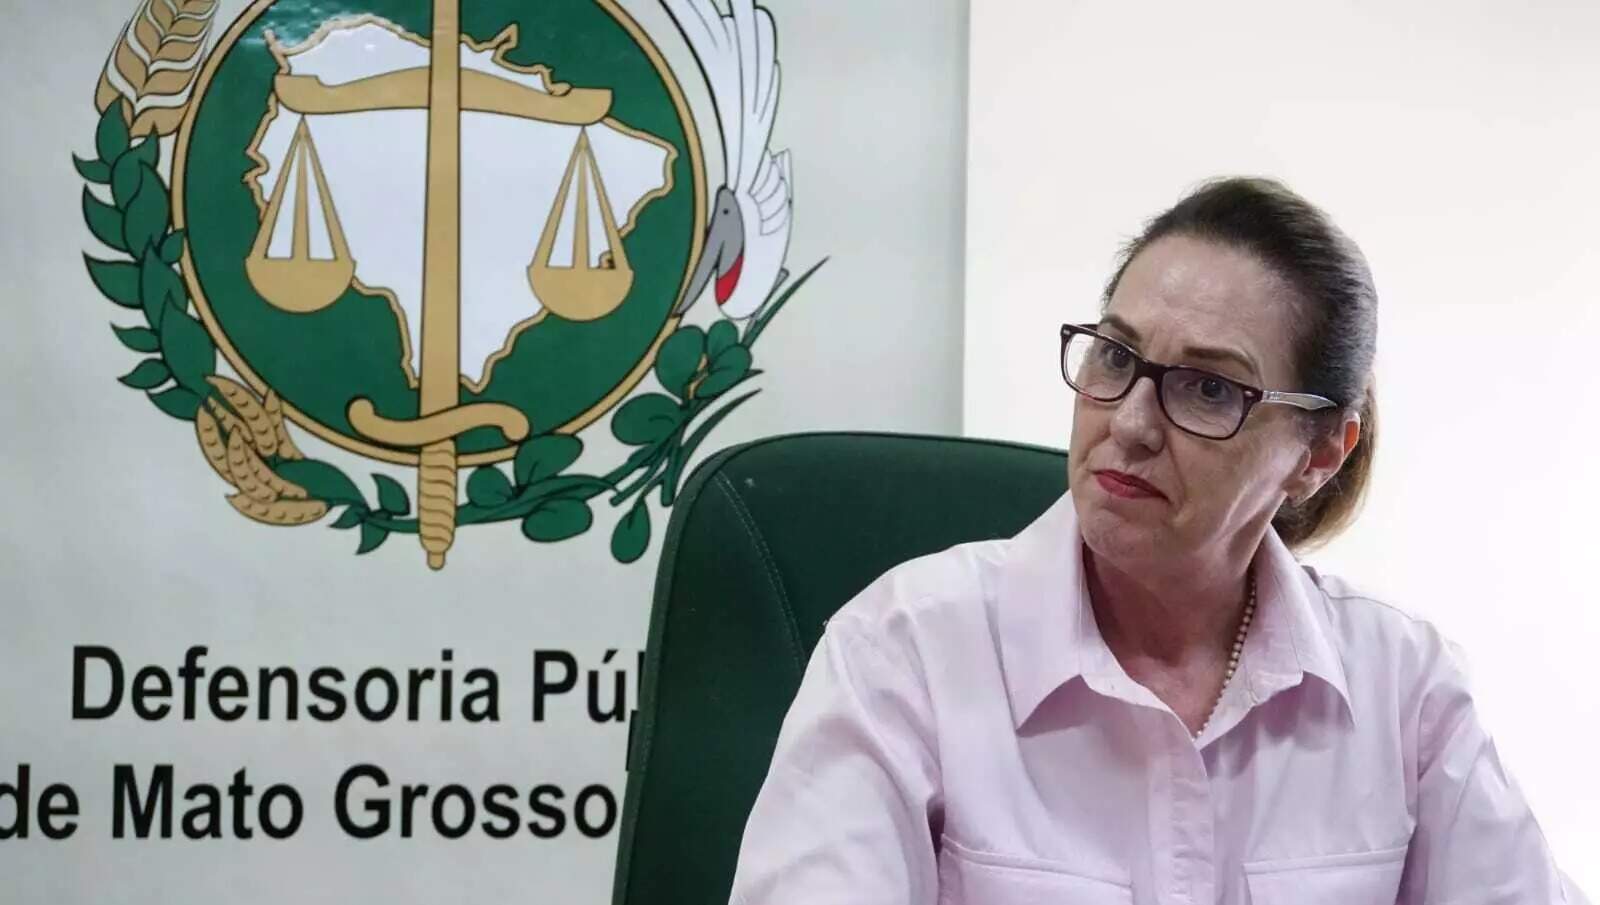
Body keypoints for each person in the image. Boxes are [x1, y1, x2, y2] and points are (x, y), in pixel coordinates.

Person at [726, 178, 1589, 904]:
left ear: (1319, 454)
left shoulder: (1404, 688)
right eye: (1114, 356)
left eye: (1209, 389)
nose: (1131, 424)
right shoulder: (904, 652)